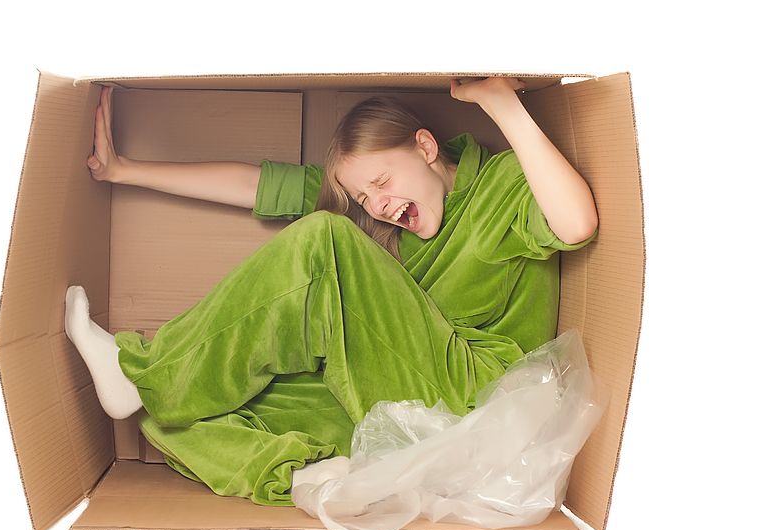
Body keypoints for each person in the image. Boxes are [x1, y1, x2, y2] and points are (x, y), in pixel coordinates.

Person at [65, 78, 599, 506]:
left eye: (383, 182)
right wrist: (125, 169)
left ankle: (147, 371)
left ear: (426, 146)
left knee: (323, 239)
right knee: (174, 414)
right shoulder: (375, 227)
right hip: (404, 409)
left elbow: (576, 224)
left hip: (482, 397)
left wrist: (502, 105)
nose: (379, 205)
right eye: (365, 197)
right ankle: (304, 475)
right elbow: (254, 184)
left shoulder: (500, 188)